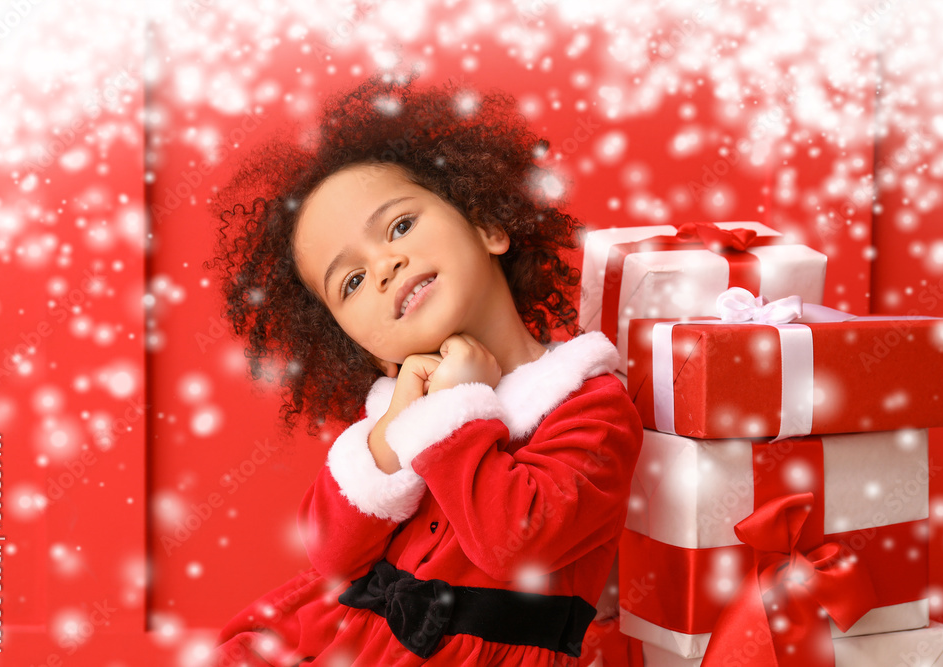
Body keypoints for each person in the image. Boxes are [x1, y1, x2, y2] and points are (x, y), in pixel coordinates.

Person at [205, 72, 643, 666]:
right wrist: (391, 435)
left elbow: (516, 541)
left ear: (487, 226)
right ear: (362, 344)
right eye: (353, 281)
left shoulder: (589, 402)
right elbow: (329, 555)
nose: (385, 266)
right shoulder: (398, 413)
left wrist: (456, 405)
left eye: (400, 226)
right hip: (347, 641)